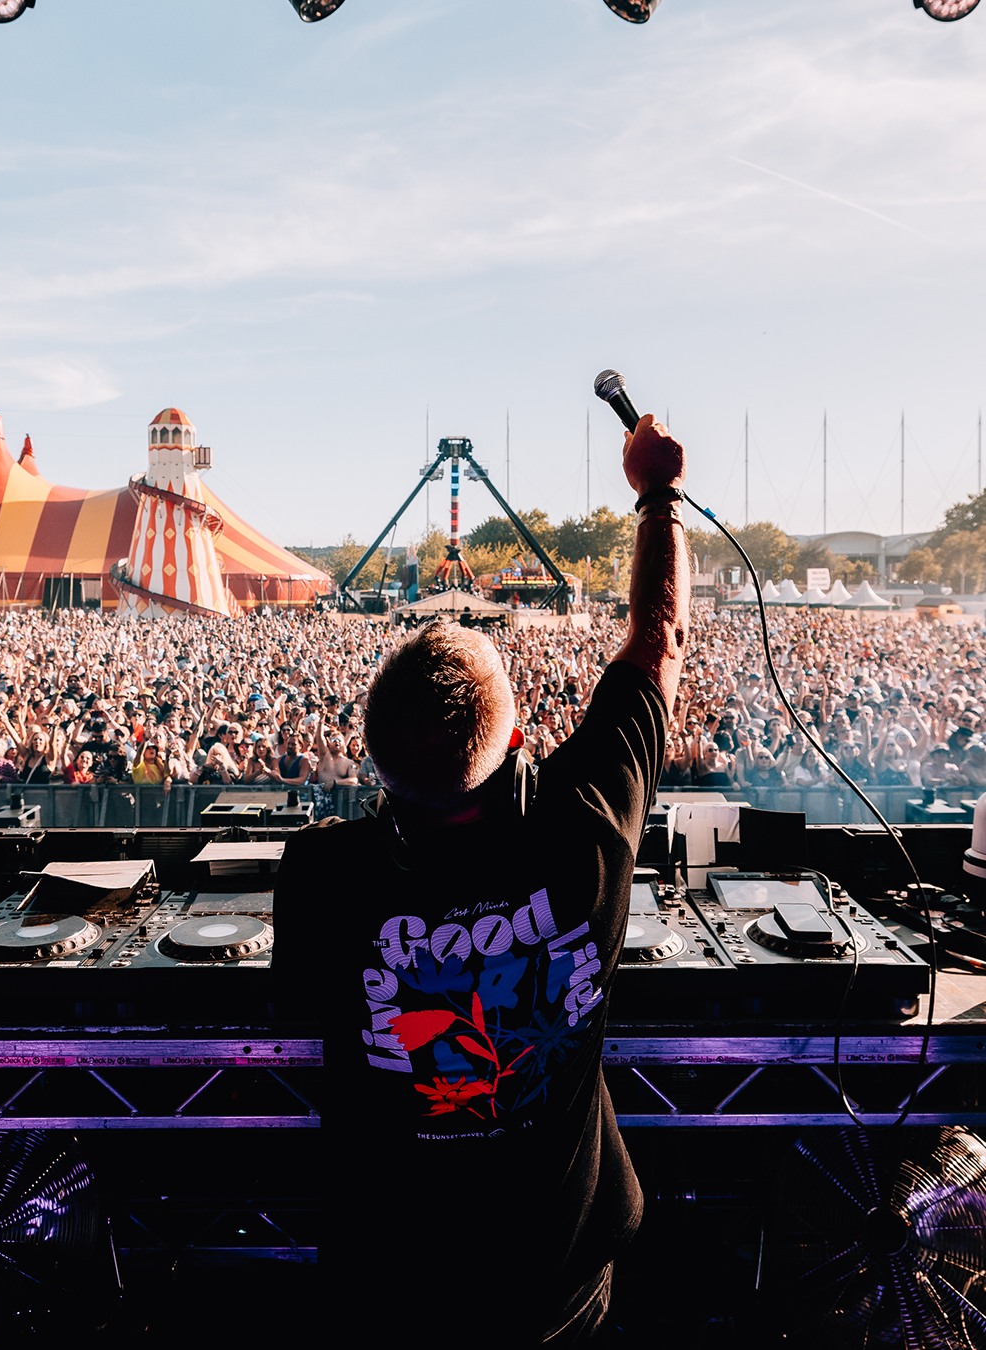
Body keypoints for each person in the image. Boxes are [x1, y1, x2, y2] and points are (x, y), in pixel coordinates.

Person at [273, 412, 689, 1346]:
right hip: (557, 1271)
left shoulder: (322, 875)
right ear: (515, 743)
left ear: (371, 759)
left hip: (392, 1273)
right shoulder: (586, 830)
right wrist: (657, 495)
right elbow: (656, 642)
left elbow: (301, 1014)